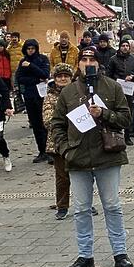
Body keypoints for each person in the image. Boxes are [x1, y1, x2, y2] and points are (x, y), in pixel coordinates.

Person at [49, 47, 134, 267]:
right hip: (78, 158)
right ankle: (85, 255)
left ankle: (120, 253)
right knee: (81, 209)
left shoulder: (112, 86)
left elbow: (126, 119)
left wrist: (104, 114)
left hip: (108, 155)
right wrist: (65, 149)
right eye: (84, 59)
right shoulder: (68, 92)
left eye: (92, 60)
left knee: (112, 206)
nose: (89, 63)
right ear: (78, 64)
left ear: (99, 63)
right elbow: (56, 124)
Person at [42, 64, 82, 220]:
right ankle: (62, 205)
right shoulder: (50, 97)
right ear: (55, 79)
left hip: (79, 140)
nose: (63, 79)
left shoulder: (79, 93)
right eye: (60, 76)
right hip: (58, 142)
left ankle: (84, 203)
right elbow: (49, 121)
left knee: (82, 174)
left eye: (66, 76)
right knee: (62, 176)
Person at [15, 39, 52, 162]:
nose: (30, 51)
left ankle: (49, 150)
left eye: (32, 49)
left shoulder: (42, 59)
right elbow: (20, 78)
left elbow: (45, 74)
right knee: (36, 124)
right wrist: (36, 79)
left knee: (45, 123)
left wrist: (31, 66)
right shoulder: (22, 62)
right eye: (28, 49)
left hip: (42, 95)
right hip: (30, 95)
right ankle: (41, 151)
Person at [106, 38, 134, 140]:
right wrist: (115, 81)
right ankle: (117, 134)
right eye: (123, 46)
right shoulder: (113, 59)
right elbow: (108, 74)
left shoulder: (133, 59)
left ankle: (128, 135)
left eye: (127, 46)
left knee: (129, 111)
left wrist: (132, 76)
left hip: (129, 89)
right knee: (117, 111)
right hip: (117, 88)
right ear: (120, 47)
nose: (125, 48)